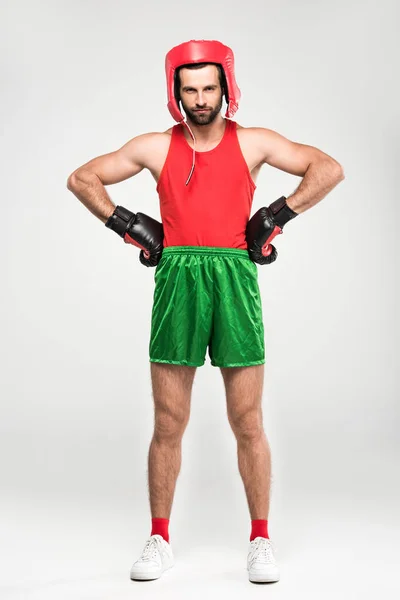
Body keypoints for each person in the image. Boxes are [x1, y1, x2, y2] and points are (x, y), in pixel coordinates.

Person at [66, 39, 344, 584]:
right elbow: (82, 179)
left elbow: (328, 169)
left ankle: (261, 539)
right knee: (169, 420)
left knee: (248, 420)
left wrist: (278, 213)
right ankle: (160, 538)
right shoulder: (154, 146)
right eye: (189, 89)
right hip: (178, 278)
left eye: (209, 87)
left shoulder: (254, 142)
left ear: (226, 88)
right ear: (176, 91)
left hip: (235, 277)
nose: (199, 98)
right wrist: (129, 224)